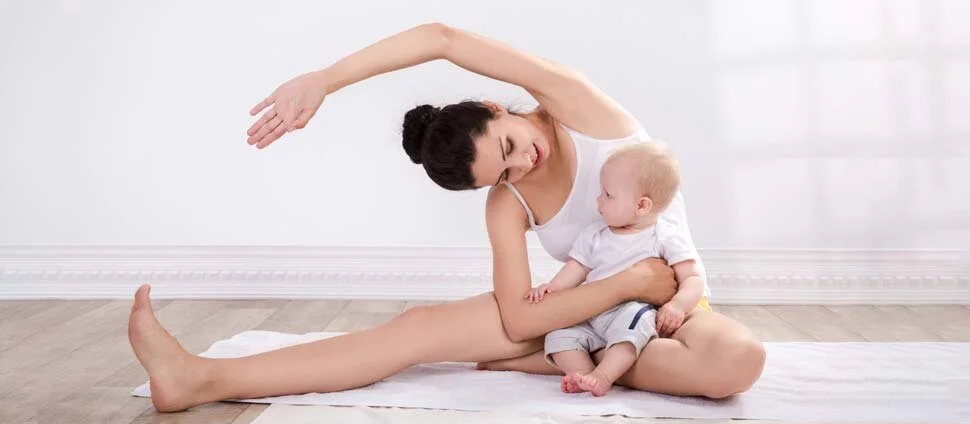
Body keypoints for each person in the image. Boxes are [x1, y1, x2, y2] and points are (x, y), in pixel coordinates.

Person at [128, 23, 765, 413]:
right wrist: (626, 285)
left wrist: (325, 78)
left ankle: (561, 361)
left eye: (510, 146)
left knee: (738, 363)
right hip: (586, 307)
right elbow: (519, 315)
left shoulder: (575, 105)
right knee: (418, 328)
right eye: (505, 173)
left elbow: (442, 40)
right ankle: (196, 379)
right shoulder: (506, 201)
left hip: (668, 308)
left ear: (499, 107)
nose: (523, 164)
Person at [526, 143, 707, 397]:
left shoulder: (664, 236)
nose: (599, 200)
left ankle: (604, 376)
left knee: (630, 332)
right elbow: (577, 267)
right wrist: (553, 288)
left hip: (630, 309)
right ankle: (583, 374)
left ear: (642, 206)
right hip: (592, 310)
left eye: (608, 195)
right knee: (558, 336)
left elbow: (693, 279)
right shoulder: (595, 234)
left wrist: (677, 305)